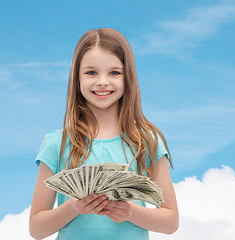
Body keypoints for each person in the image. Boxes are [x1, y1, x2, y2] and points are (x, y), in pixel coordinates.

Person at [29, 28, 179, 240]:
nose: (102, 81)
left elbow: (171, 222)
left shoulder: (146, 142)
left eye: (114, 73)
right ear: (76, 77)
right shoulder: (57, 143)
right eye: (91, 72)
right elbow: (36, 228)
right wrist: (73, 207)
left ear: (128, 78)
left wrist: (130, 212)